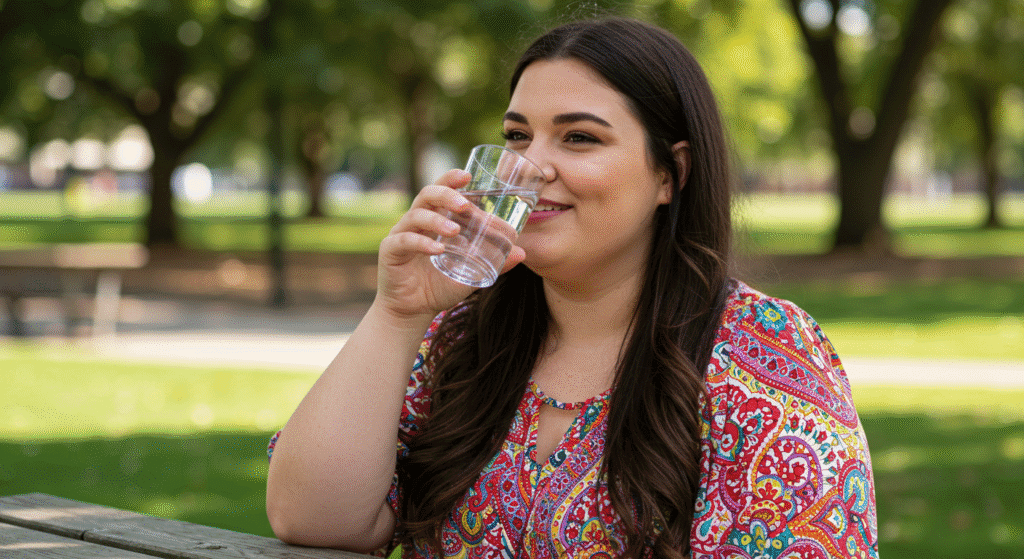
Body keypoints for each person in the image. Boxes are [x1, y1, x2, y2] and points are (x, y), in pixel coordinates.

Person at [265, 17, 879, 559]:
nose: (532, 169)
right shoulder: (459, 338)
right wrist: (397, 314)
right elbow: (313, 520)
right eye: (516, 137)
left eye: (579, 137)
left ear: (672, 173)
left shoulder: (764, 356)